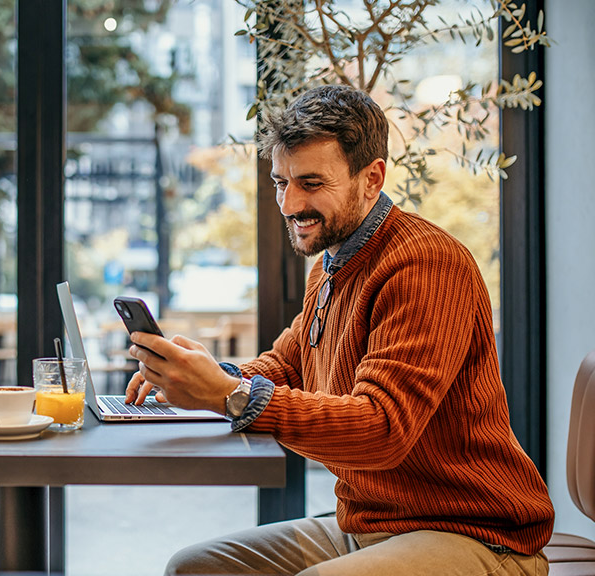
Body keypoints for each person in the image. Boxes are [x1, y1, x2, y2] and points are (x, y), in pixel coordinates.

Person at [124, 84, 554, 576]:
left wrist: (228, 395)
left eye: (310, 183)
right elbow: (286, 367)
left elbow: (383, 427)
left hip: (475, 533)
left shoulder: (425, 264)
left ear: (372, 178)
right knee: (196, 567)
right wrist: (203, 374)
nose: (288, 204)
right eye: (280, 182)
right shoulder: (331, 266)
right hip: (368, 526)